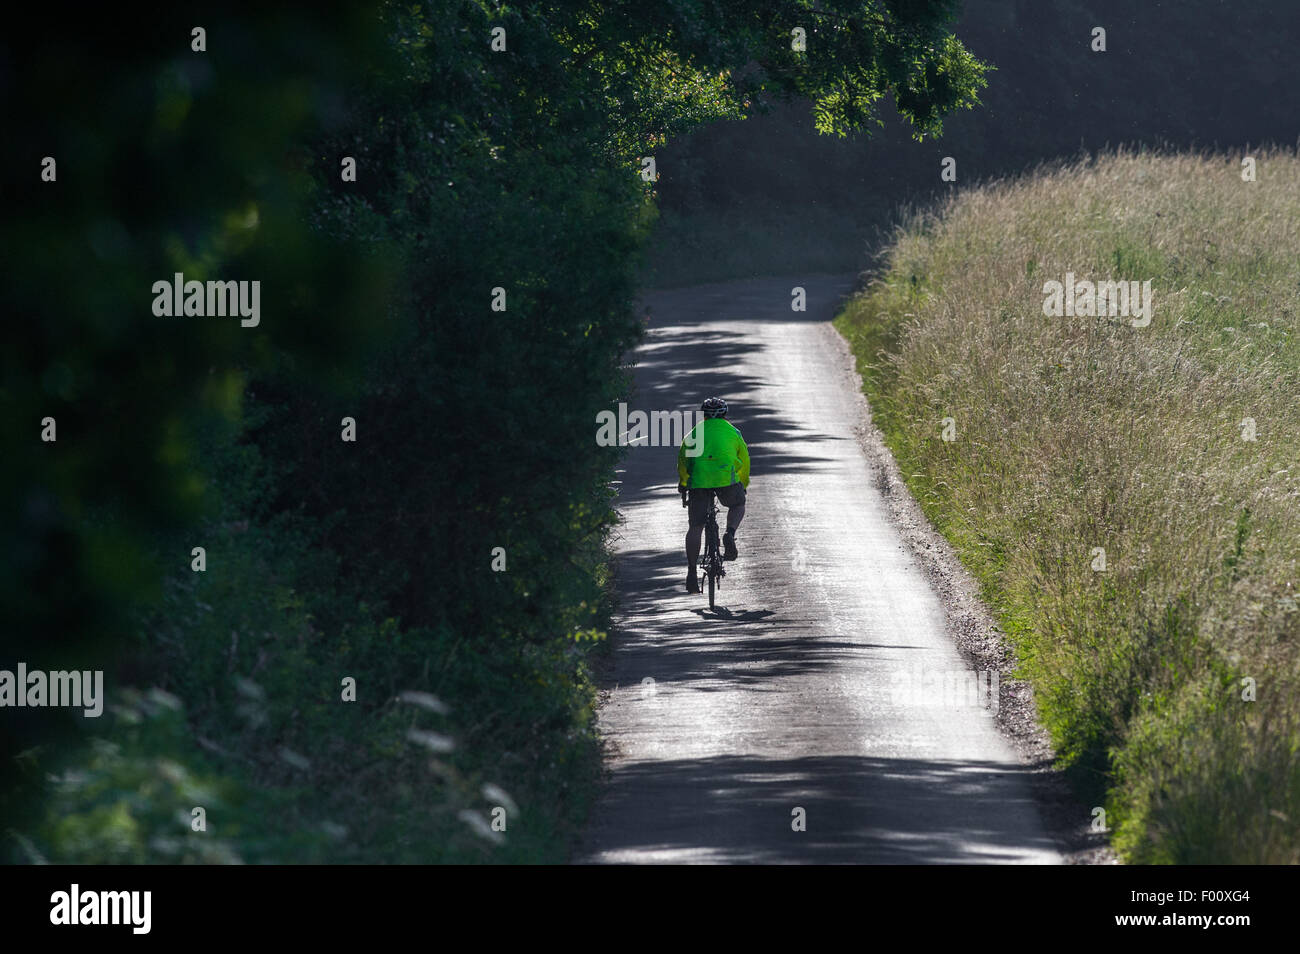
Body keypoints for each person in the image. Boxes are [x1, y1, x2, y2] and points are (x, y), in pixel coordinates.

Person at [677, 397, 750, 593]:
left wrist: (684, 483)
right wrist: (743, 483)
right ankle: (730, 533)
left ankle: (692, 572)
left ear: (704, 415)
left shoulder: (694, 433)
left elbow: (683, 460)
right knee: (738, 504)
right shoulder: (733, 432)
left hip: (699, 481)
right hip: (726, 478)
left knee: (695, 527)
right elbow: (745, 459)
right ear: (725, 414)